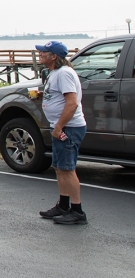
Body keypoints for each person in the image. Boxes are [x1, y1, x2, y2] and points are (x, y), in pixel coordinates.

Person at [33, 41, 88, 224]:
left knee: (68, 168)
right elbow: (60, 96)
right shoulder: (54, 73)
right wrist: (44, 96)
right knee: (59, 167)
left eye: (43, 52)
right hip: (60, 126)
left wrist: (59, 127)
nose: (40, 55)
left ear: (53, 56)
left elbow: (72, 103)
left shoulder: (64, 73)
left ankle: (77, 210)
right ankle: (63, 205)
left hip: (68, 127)